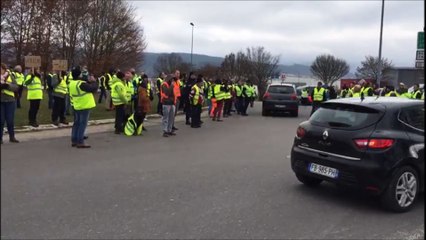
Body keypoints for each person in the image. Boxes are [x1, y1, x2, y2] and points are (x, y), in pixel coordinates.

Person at [68, 66, 98, 148]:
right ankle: (80, 141)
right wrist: (94, 81)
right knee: (82, 124)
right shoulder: (81, 84)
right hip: (84, 105)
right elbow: (93, 88)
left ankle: (74, 140)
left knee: (76, 123)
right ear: (79, 75)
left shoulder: (72, 83)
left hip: (77, 105)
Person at [1, 63, 19, 144]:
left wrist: (7, 86)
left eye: (1, 69)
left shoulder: (10, 76)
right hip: (1, 101)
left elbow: (16, 87)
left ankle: (12, 137)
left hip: (10, 101)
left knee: (10, 120)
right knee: (1, 121)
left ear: (4, 69)